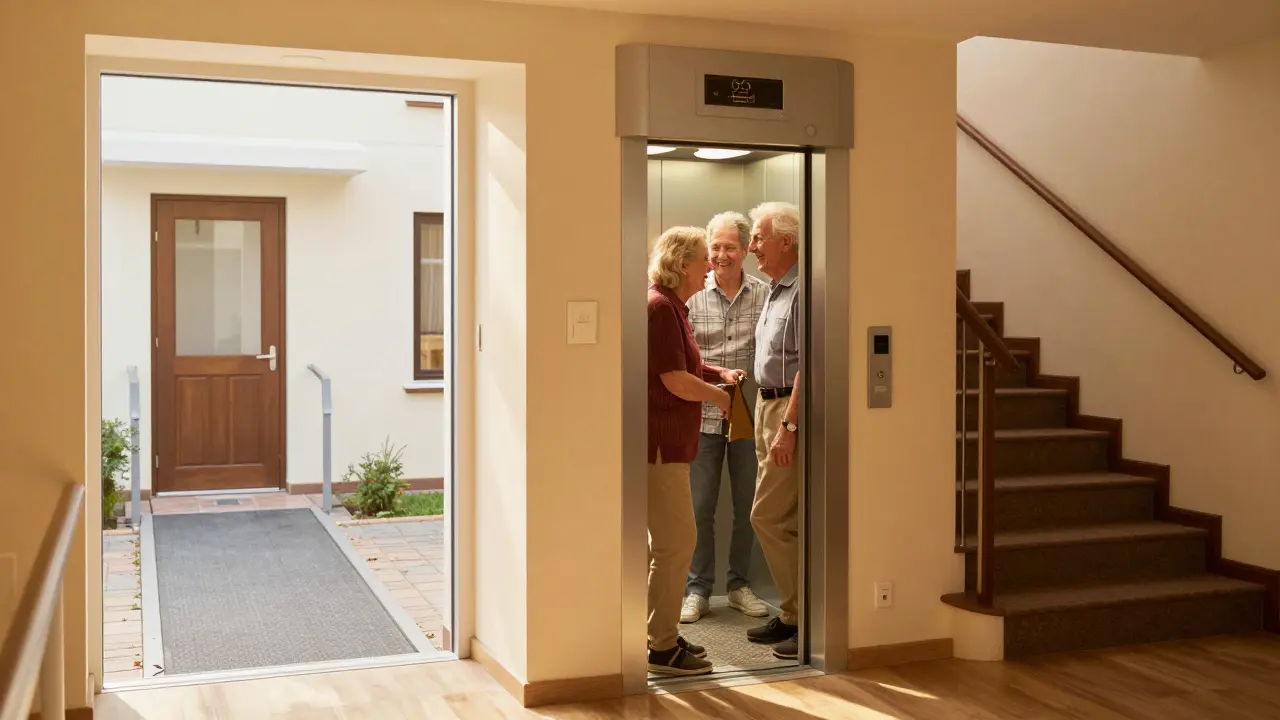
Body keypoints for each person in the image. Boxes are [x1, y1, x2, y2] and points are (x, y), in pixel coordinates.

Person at [646, 226, 741, 676]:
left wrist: (717, 371)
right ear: (683, 264)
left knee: (668, 545)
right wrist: (720, 397)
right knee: (676, 544)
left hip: (669, 446)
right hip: (661, 447)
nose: (710, 266)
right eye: (704, 259)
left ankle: (658, 633)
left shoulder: (673, 308)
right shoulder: (660, 308)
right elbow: (674, 380)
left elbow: (685, 364)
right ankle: (660, 648)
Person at [680, 212, 770, 624]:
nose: (720, 255)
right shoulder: (692, 294)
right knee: (699, 507)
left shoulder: (766, 294)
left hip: (750, 419)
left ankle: (738, 585)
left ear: (746, 251)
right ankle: (697, 589)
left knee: (748, 506)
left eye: (729, 247)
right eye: (714, 247)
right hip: (701, 417)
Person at [743, 201, 803, 660]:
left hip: (786, 409)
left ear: (787, 241)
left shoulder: (802, 291)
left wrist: (790, 425)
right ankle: (792, 615)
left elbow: (809, 366)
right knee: (783, 519)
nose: (751, 247)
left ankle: (806, 616)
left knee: (765, 517)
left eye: (759, 238)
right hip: (766, 406)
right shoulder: (773, 289)